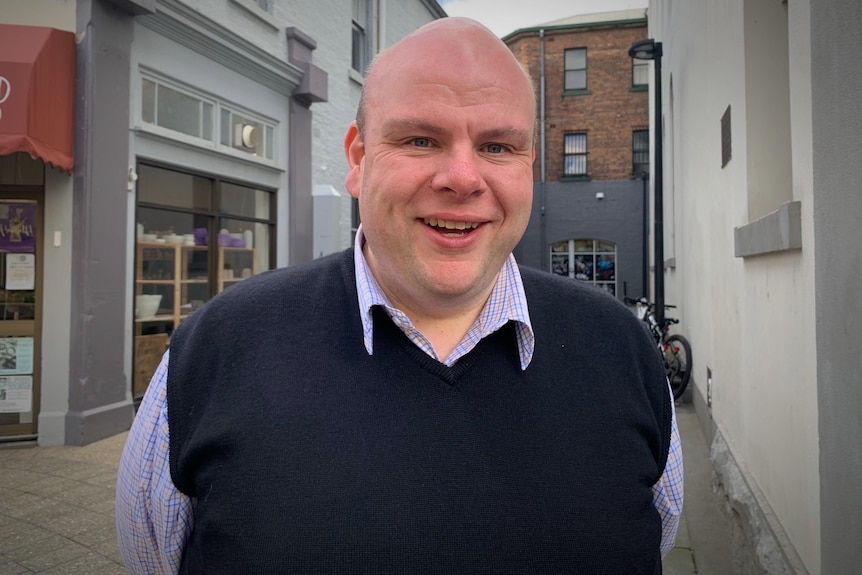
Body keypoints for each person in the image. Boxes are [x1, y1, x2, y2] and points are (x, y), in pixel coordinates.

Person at [116, 17, 682, 574]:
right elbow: (150, 554)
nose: (462, 177)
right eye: (419, 139)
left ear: (529, 165)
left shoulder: (623, 353)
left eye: (498, 146)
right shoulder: (217, 350)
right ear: (358, 161)